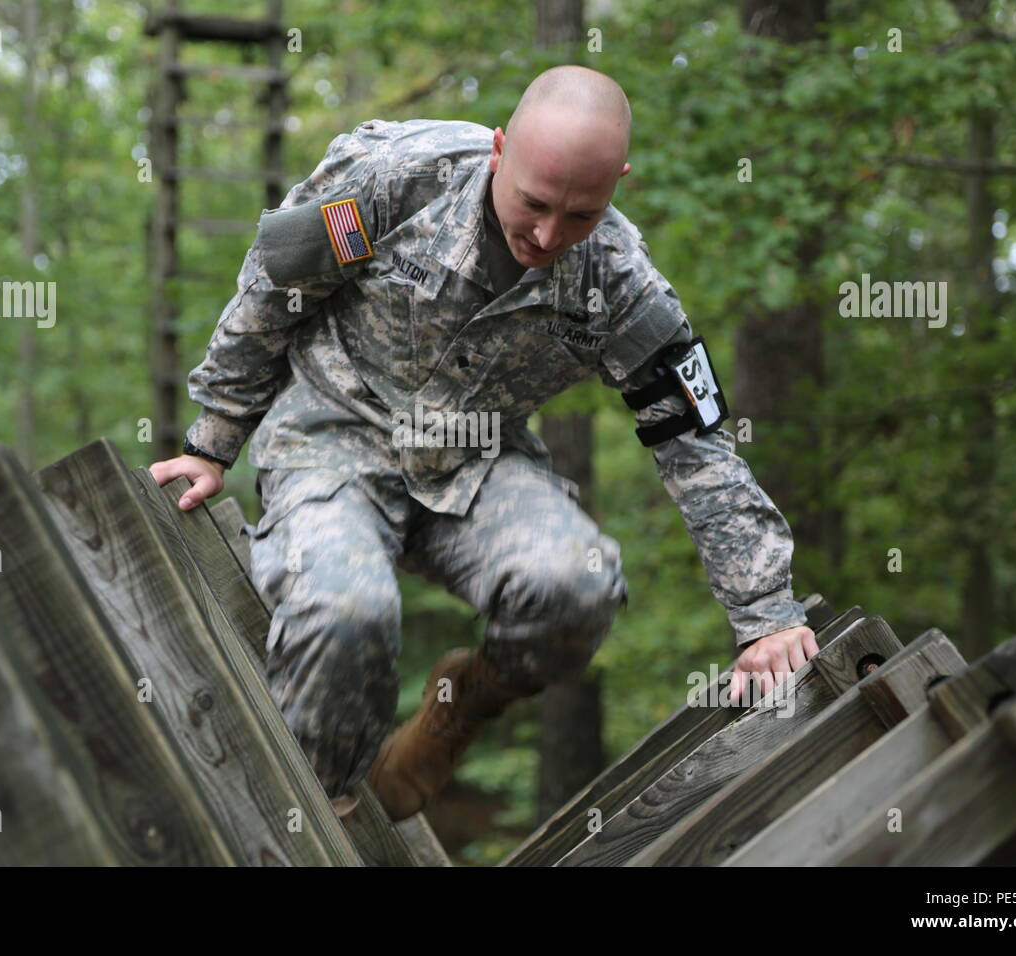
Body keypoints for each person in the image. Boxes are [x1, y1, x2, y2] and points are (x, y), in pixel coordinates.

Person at [149, 64, 818, 822]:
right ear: (500, 149)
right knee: (345, 608)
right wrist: (213, 439)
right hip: (333, 435)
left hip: (476, 464)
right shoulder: (396, 179)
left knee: (578, 585)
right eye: (533, 203)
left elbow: (696, 444)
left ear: (618, 184)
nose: (546, 235)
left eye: (580, 216)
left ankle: (458, 708)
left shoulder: (623, 284)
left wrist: (765, 615)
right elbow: (274, 287)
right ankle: (318, 812)